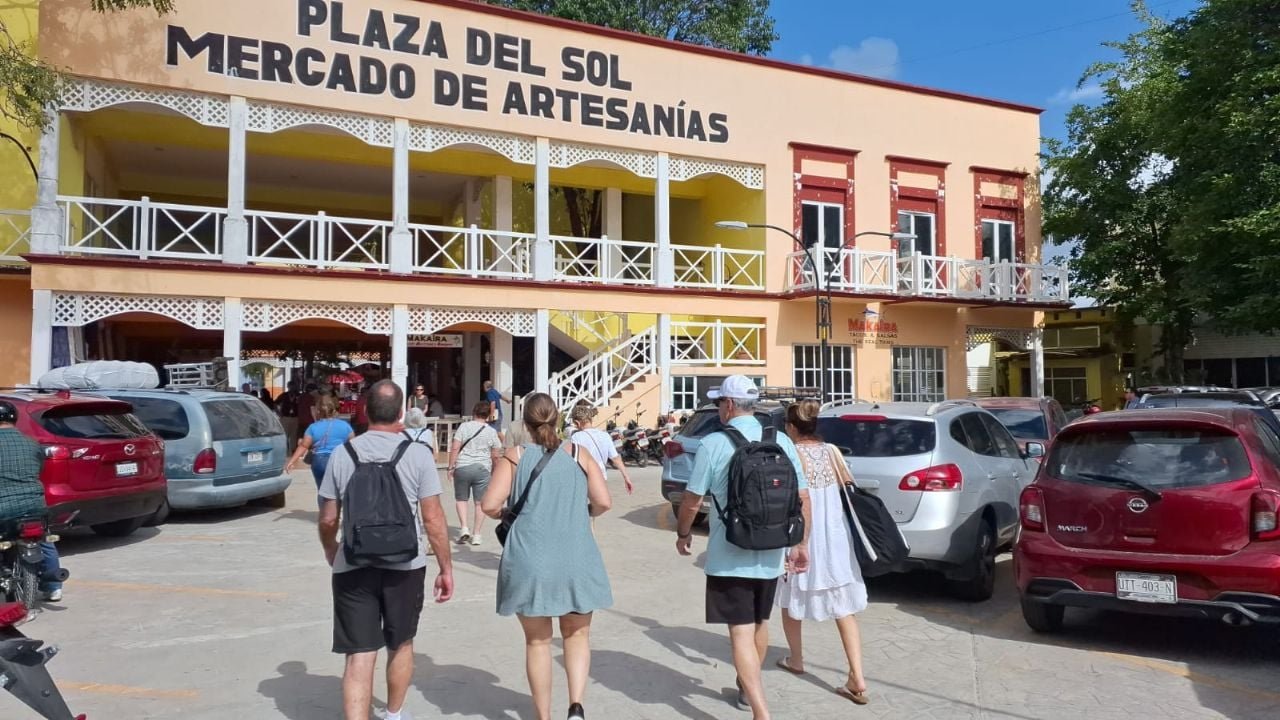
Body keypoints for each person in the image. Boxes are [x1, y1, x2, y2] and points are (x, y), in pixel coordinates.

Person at [674, 375, 810, 720]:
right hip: (772, 548)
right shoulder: (779, 439)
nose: (720, 408)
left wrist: (683, 532)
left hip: (729, 551)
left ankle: (760, 711)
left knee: (739, 629)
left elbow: (692, 499)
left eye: (721, 402)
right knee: (760, 623)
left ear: (730, 405)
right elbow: (802, 496)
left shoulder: (714, 443)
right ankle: (747, 691)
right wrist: (799, 543)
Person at [318, 380, 454, 720]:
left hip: (354, 562)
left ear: (365, 411)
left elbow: (328, 517)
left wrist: (331, 548)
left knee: (359, 654)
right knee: (401, 643)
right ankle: (394, 714)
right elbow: (433, 518)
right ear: (401, 414)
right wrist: (446, 568)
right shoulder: (418, 454)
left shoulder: (342, 454)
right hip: (405, 565)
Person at [481, 393, 613, 720]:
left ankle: (544, 716)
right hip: (576, 555)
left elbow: (489, 505)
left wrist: (511, 514)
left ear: (525, 422)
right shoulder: (579, 453)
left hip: (530, 557)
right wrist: (580, 511)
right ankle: (576, 707)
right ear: (558, 420)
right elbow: (604, 502)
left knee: (538, 642)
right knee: (577, 634)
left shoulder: (514, 456)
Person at [773, 399, 869, 705]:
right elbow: (850, 488)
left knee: (791, 598)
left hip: (803, 534)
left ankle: (797, 658)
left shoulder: (790, 453)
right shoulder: (833, 452)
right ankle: (857, 675)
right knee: (843, 606)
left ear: (790, 428)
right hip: (835, 536)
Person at [0, 401, 64, 603]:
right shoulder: (32, 443)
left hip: (3, 508)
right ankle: (54, 586)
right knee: (43, 539)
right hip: (35, 504)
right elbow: (38, 468)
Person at [448, 402, 503, 546]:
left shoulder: (464, 427)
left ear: (474, 412)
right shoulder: (491, 431)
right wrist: (495, 471)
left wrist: (451, 467)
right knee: (479, 503)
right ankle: (477, 534)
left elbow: (455, 448)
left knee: (461, 499)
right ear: (488, 415)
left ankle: (464, 527)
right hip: (482, 468)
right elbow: (496, 454)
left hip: (463, 466)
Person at [286, 395, 354, 494]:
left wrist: (292, 461)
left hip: (319, 460)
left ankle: (324, 509)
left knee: (323, 492)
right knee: (339, 491)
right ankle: (337, 508)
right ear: (334, 409)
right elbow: (353, 444)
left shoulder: (313, 427)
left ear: (318, 411)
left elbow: (304, 446)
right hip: (339, 459)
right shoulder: (345, 426)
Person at [567, 401, 633, 496]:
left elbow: (572, 462)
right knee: (598, 506)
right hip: (601, 478)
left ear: (577, 423)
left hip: (584, 480)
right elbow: (616, 459)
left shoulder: (577, 437)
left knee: (584, 508)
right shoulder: (605, 435)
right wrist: (626, 478)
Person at [277, 381, 301, 452]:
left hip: (295, 418)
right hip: (285, 417)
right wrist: (279, 413)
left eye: (294, 386)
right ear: (288, 387)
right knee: (284, 435)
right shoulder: (284, 395)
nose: (292, 388)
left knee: (294, 436)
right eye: (291, 386)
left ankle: (292, 451)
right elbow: (275, 403)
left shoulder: (298, 395)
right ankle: (284, 451)